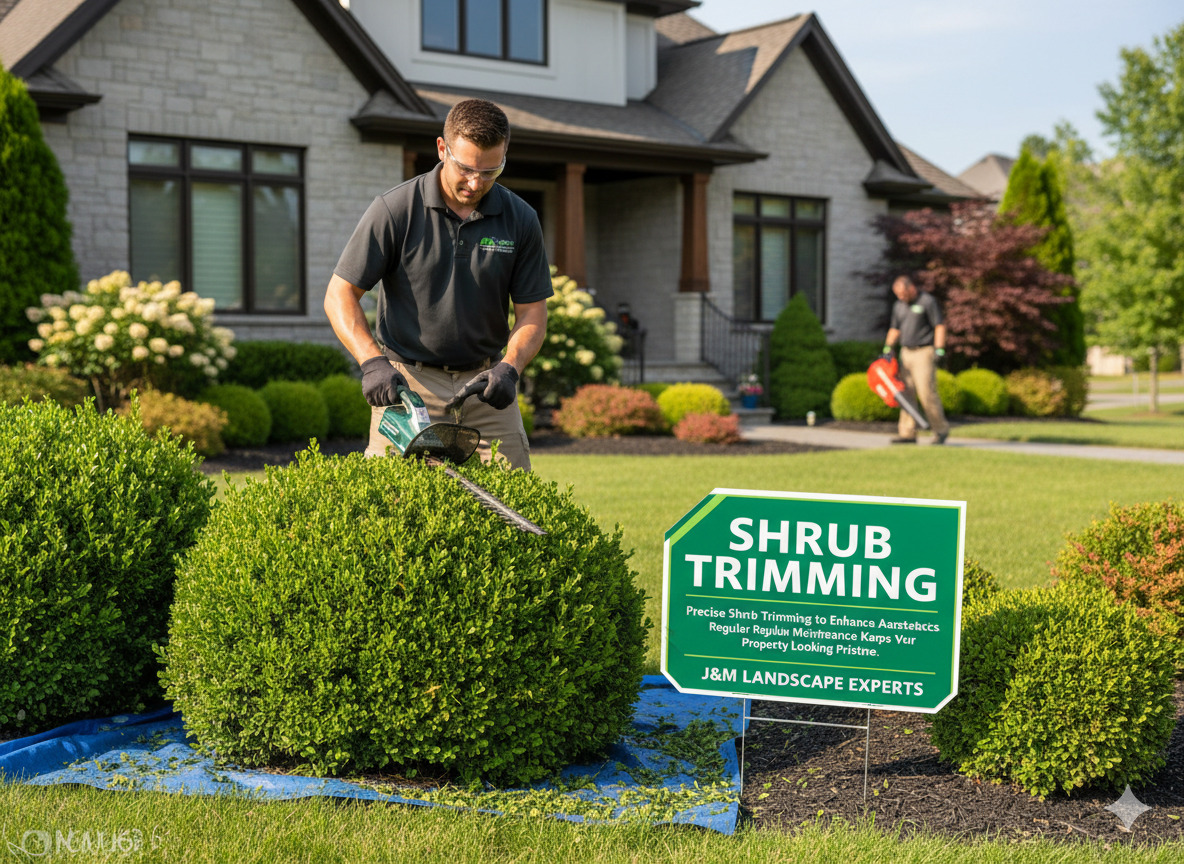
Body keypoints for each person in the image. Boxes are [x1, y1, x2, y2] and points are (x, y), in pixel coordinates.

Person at [324, 99, 551, 470]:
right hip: (408, 388)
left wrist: (510, 368)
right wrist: (372, 364)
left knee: (513, 506)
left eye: (491, 171)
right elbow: (339, 295)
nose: (476, 183)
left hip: (486, 387)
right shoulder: (395, 210)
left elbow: (532, 313)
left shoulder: (520, 219)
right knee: (393, 511)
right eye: (466, 168)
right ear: (442, 149)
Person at [881, 275, 949, 445]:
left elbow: (939, 325)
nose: (901, 298)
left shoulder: (927, 301)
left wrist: (939, 348)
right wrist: (887, 348)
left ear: (911, 288)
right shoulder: (899, 306)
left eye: (903, 294)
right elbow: (895, 329)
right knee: (905, 393)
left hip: (923, 352)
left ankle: (940, 431)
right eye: (898, 295)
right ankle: (907, 433)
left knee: (926, 392)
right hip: (906, 353)